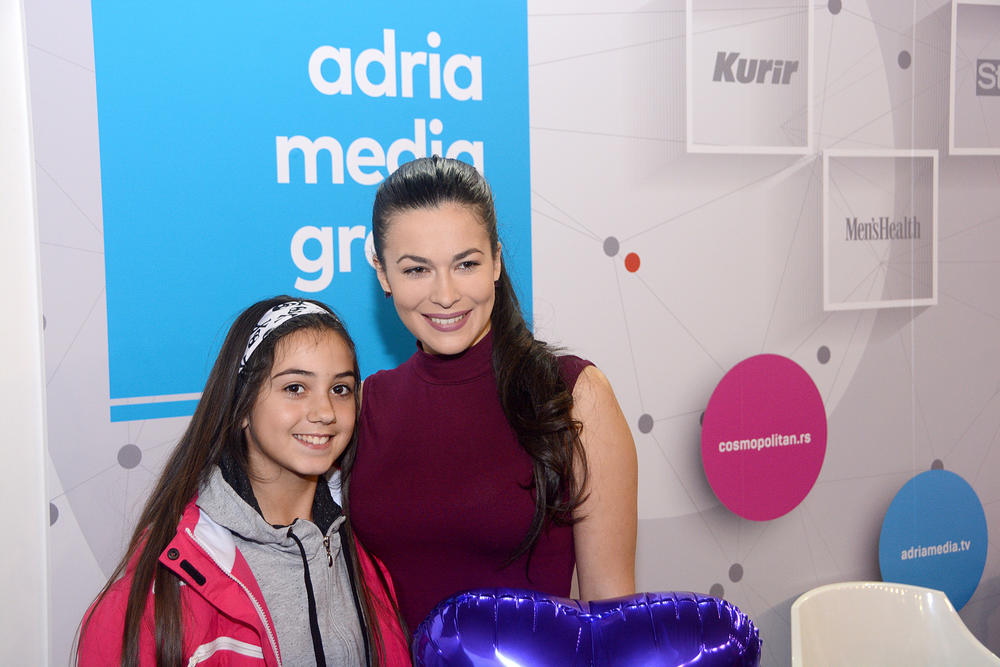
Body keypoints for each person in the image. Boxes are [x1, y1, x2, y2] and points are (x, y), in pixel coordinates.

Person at [350, 156, 639, 633]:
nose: (445, 294)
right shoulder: (365, 405)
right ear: (382, 274)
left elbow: (611, 619)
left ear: (497, 262)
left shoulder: (574, 394)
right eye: (417, 270)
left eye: (466, 264)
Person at [78, 297, 410, 666]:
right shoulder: (164, 586)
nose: (325, 412)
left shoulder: (368, 543)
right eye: (295, 388)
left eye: (340, 389)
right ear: (241, 407)